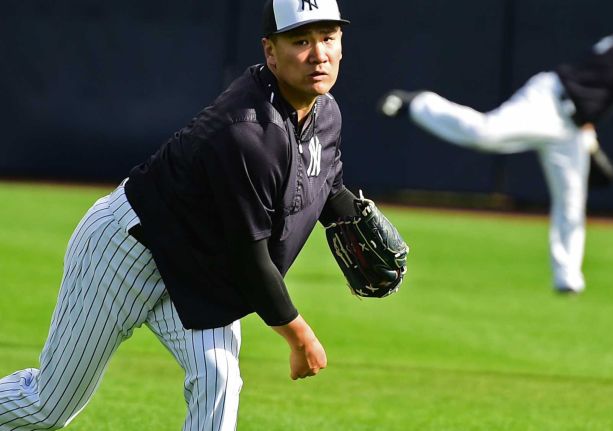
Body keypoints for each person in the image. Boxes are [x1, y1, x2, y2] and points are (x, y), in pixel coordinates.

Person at [0, 0, 359, 429]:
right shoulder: (247, 131)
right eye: (301, 40)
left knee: (218, 379)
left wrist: (357, 219)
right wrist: (299, 336)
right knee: (48, 407)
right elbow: (249, 259)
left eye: (328, 38)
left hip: (198, 269)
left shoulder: (325, 113)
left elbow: (326, 185)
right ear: (270, 51)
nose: (319, 53)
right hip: (125, 253)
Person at [378, 0, 613, 294]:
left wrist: (589, 136)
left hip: (572, 128)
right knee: (486, 133)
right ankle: (419, 103)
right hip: (549, 104)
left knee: (571, 203)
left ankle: (568, 277)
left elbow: (598, 91)